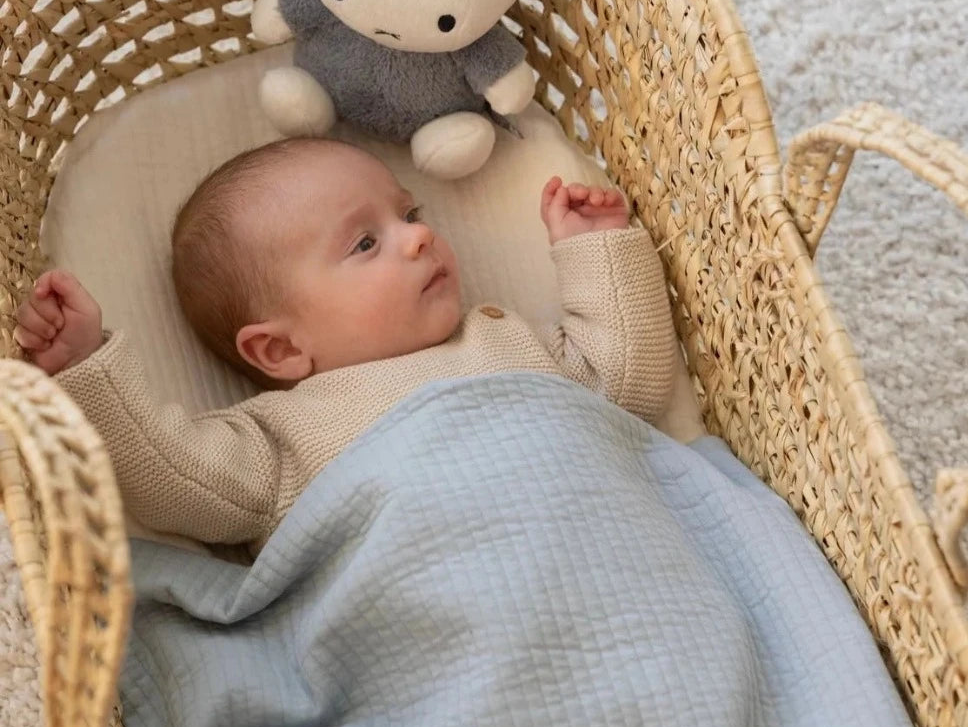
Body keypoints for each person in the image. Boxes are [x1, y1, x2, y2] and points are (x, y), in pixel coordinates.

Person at [14, 137, 680, 552]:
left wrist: (595, 246)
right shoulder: (285, 439)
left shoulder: (507, 341)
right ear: (279, 352)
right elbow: (172, 479)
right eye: (366, 242)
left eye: (409, 215)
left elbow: (629, 385)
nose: (418, 237)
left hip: (600, 552)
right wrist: (86, 366)